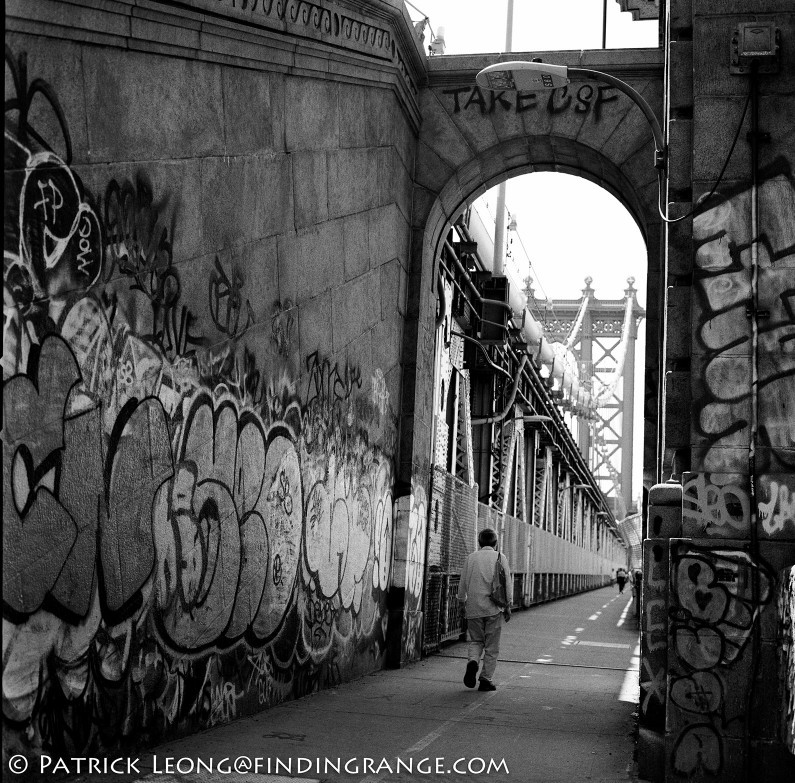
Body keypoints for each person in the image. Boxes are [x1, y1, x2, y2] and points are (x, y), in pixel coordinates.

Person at [457, 528, 512, 692]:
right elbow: (507, 582)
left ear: (479, 542)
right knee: (492, 647)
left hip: (473, 608)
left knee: (476, 641)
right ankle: (485, 679)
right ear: (496, 543)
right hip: (493, 608)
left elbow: (463, 583)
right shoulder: (500, 557)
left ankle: (473, 662)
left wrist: (461, 603)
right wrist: (508, 605)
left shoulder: (471, 558)